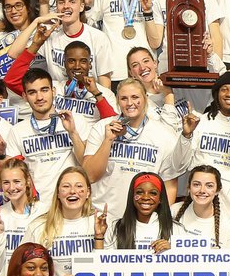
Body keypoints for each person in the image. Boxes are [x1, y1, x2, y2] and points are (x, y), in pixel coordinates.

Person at [82, 78, 193, 216]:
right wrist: (108, 140)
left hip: (143, 220)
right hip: (104, 216)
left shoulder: (163, 134)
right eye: (124, 98)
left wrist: (162, 220)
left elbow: (169, 184)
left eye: (135, 97)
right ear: (117, 101)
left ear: (145, 99)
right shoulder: (101, 127)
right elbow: (90, 176)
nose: (130, 103)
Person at [9, 68, 86, 212]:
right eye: (32, 92)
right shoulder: (17, 130)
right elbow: (10, 175)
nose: (39, 97)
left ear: (54, 91)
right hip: (37, 207)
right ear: (24, 97)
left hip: (71, 204)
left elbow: (86, 165)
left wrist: (72, 132)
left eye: (44, 90)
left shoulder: (76, 120)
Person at [25, 166, 105, 276]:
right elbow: (23, 271)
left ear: (88, 192)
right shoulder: (38, 226)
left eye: (79, 186)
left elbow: (109, 270)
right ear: (58, 192)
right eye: (66, 186)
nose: (72, 191)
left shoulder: (101, 223)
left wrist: (99, 238)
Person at [188, 71, 230, 204]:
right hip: (201, 194)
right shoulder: (200, 121)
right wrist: (186, 135)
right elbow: (182, 164)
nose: (229, 94)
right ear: (216, 95)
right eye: (224, 89)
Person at [36, 0, 115, 84]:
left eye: (72, 2)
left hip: (89, 97)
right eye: (61, 2)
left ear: (81, 7)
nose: (66, 6)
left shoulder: (98, 38)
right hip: (60, 98)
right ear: (57, 7)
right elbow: (16, 55)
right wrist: (43, 4)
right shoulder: (50, 36)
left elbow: (105, 82)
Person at [108, 171, 189, 252]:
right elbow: (103, 262)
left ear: (160, 198)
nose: (145, 197)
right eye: (139, 192)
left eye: (153, 193)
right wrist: (98, 237)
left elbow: (187, 263)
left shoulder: (177, 230)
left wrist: (172, 252)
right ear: (132, 196)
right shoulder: (116, 228)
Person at [174, 165, 230, 249]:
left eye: (209, 186)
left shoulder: (228, 226)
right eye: (196, 184)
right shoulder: (173, 211)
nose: (202, 190)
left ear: (217, 190)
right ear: (189, 188)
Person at [0, 158, 37, 265]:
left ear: (28, 181)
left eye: (17, 181)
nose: (12, 188)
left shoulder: (43, 212)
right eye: (6, 182)